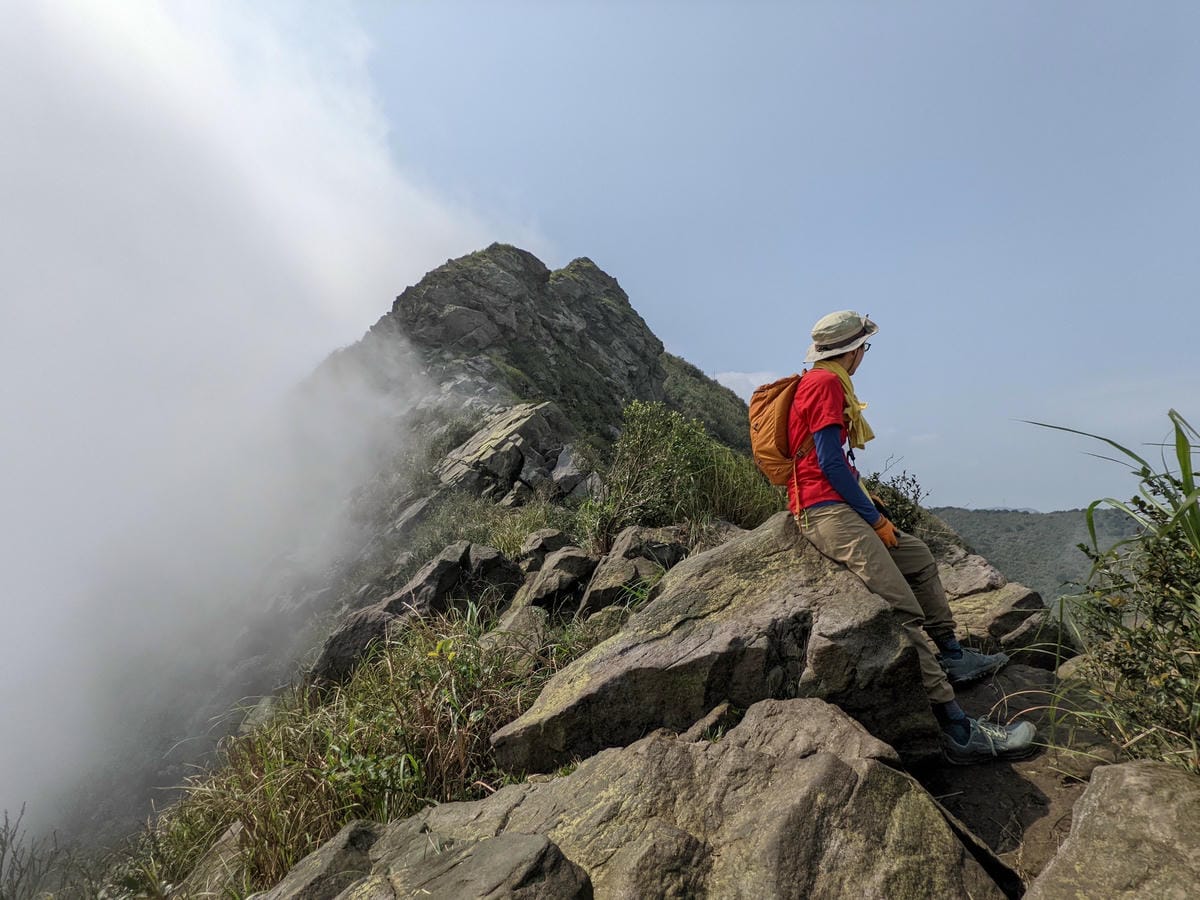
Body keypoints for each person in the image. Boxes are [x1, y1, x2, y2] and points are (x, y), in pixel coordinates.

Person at [788, 310, 1036, 764]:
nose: (864, 354)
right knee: (901, 607)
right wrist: (874, 518)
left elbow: (835, 458)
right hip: (825, 509)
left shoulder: (826, 380)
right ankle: (960, 731)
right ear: (854, 349)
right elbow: (829, 461)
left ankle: (953, 655)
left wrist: (870, 508)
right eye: (864, 347)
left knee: (917, 555)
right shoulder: (824, 385)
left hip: (838, 503)